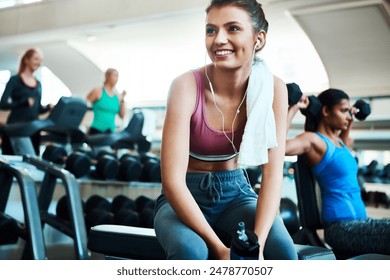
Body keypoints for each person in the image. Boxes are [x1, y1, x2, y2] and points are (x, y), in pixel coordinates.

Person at [154, 0, 297, 260]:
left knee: (283, 252)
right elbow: (172, 183)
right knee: (191, 251)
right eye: (211, 30)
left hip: (237, 194)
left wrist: (259, 245)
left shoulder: (274, 88)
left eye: (232, 28)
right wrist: (219, 249)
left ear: (258, 39)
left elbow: (272, 174)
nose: (219, 39)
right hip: (185, 194)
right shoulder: (185, 85)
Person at [286, 88, 390, 255]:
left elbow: (346, 137)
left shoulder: (341, 143)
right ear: (326, 111)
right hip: (341, 227)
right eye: (343, 111)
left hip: (360, 223)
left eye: (349, 112)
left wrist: (351, 113)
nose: (348, 116)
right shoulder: (314, 140)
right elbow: (278, 147)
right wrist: (293, 107)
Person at [0, 47, 51, 155]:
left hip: (33, 129)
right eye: (36, 59)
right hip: (16, 128)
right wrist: (22, 103)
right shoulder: (15, 80)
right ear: (27, 60)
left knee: (34, 161)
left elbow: (37, 109)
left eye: (41, 60)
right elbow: (3, 104)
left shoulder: (39, 84)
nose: (39, 62)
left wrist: (47, 107)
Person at [86, 68, 126, 135]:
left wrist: (122, 99)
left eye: (117, 76)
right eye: (115, 75)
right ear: (107, 76)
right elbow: (84, 105)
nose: (117, 79)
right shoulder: (97, 91)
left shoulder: (117, 97)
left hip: (110, 131)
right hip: (96, 130)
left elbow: (122, 116)